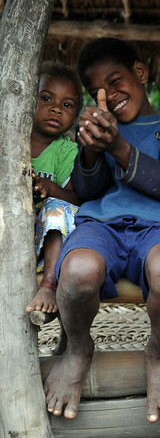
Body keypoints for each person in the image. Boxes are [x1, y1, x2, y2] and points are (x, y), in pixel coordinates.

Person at [43, 37, 160, 422]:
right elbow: (87, 192)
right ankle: (79, 349)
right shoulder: (93, 134)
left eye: (116, 81)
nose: (108, 95)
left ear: (141, 74)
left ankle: (158, 353)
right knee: (78, 272)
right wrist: (93, 149)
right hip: (100, 225)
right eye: (96, 91)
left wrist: (116, 146)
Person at [26, 62, 83, 319]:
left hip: (50, 244)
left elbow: (76, 198)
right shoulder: (9, 139)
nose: (56, 108)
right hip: (11, 238)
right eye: (46, 98)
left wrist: (50, 188)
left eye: (67, 105)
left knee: (57, 208)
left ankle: (49, 284)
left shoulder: (66, 150)